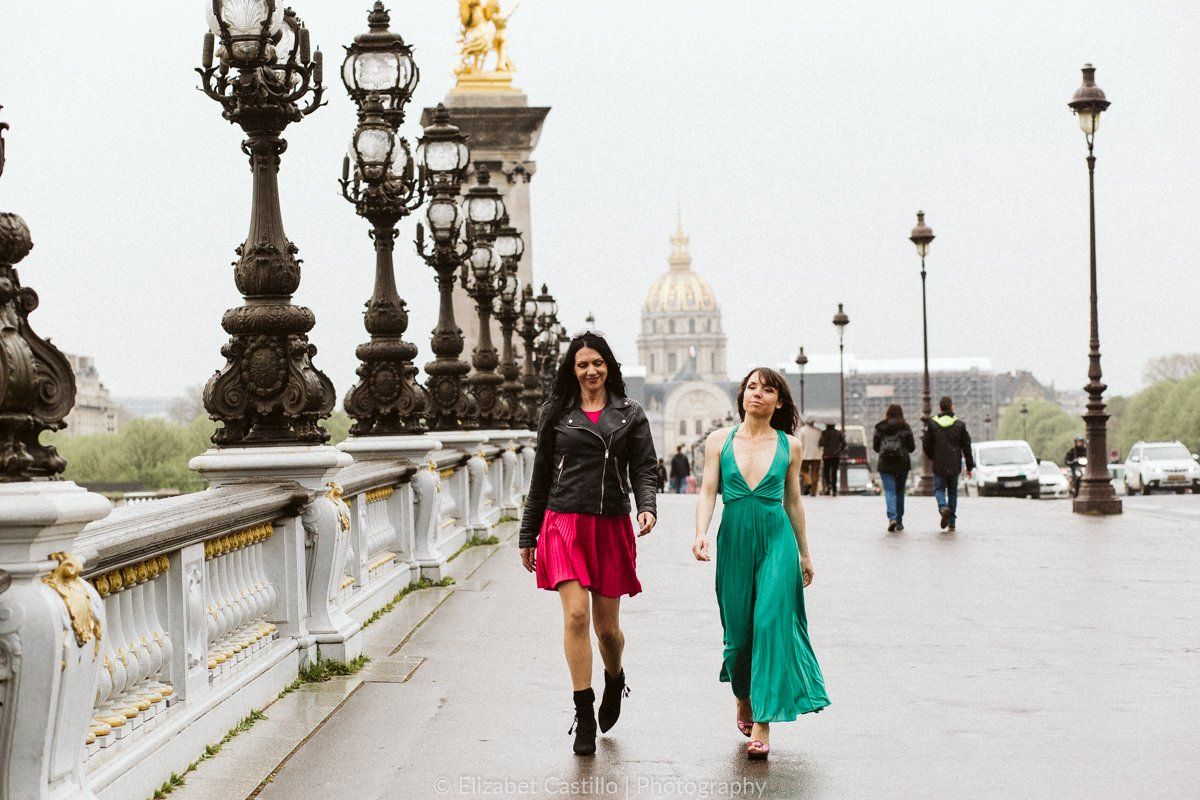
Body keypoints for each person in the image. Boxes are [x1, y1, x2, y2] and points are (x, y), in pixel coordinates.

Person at [518, 332, 659, 756]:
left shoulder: (630, 414)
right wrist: (528, 533)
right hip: (564, 521)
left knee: (607, 631)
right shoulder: (556, 413)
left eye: (597, 363)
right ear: (573, 370)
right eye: (582, 365)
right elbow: (541, 474)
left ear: (608, 367)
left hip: (611, 523)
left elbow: (644, 467)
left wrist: (646, 506)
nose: (591, 371)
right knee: (576, 615)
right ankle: (584, 712)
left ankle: (614, 678)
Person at [692, 367, 830, 761]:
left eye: (767, 389)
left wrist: (805, 553)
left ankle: (763, 723)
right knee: (737, 638)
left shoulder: (791, 445)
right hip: (734, 539)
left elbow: (793, 501)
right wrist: (700, 532)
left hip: (776, 540)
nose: (757, 394)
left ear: (779, 401)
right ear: (742, 396)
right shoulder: (719, 441)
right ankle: (743, 697)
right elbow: (707, 491)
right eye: (751, 387)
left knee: (769, 624)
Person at [922, 396, 974, 532]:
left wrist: (933, 456)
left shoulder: (932, 424)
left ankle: (942, 507)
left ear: (939, 408)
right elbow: (967, 447)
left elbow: (926, 444)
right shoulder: (960, 425)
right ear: (952, 407)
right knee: (952, 492)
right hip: (954, 464)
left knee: (939, 489)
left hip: (939, 463)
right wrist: (969, 466)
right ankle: (952, 522)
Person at [873, 404, 916, 532]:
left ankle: (892, 518)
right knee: (900, 492)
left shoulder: (880, 427)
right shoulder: (905, 427)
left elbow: (876, 447)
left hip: (885, 463)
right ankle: (899, 521)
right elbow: (912, 447)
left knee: (889, 491)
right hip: (902, 463)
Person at [818, 422, 846, 496]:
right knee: (834, 472)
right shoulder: (838, 433)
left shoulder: (824, 433)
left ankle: (828, 485)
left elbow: (821, 443)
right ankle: (834, 490)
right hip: (836, 455)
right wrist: (840, 450)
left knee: (826, 471)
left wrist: (826, 444)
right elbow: (844, 443)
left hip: (827, 455)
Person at [798, 416, 823, 496]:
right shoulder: (818, 431)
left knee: (802, 470)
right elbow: (821, 443)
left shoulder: (802, 430)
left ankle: (808, 481)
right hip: (816, 455)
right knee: (815, 473)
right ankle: (813, 491)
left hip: (805, 455)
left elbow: (800, 443)